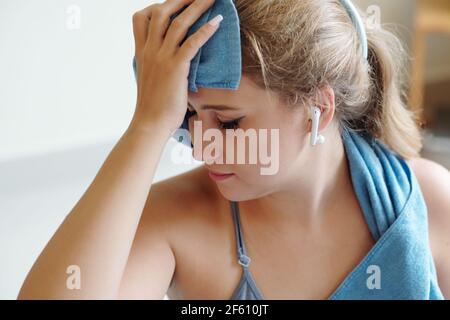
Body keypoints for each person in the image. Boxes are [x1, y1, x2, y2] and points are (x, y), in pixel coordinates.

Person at [18, 0, 450, 300]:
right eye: (186, 116)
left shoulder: (426, 200)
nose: (203, 147)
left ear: (318, 107)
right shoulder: (173, 223)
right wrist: (148, 125)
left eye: (228, 122)